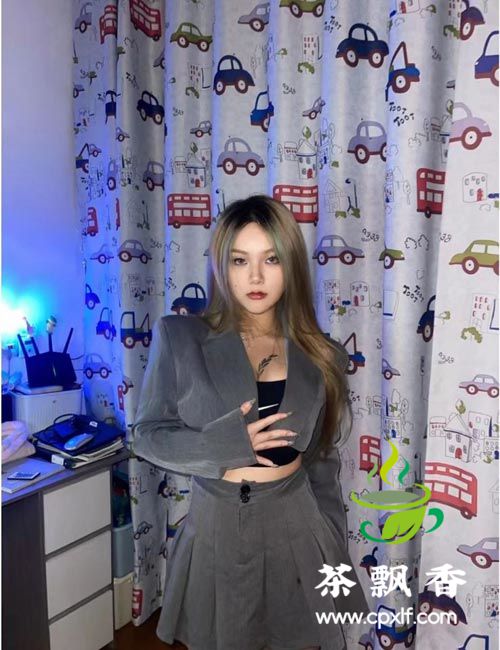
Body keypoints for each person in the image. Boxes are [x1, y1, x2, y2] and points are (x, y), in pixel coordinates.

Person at [132, 195, 370, 650]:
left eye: (271, 259)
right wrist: (224, 445)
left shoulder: (321, 353)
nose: (255, 277)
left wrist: (331, 538)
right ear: (221, 265)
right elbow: (148, 436)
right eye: (240, 260)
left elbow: (322, 459)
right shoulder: (181, 337)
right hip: (218, 524)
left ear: (291, 266)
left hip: (296, 521)